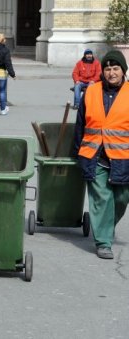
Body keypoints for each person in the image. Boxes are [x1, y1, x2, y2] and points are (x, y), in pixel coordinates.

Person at [73, 50, 129, 260]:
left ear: (123, 71)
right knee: (101, 198)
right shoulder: (91, 91)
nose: (111, 73)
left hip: (123, 158)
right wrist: (77, 152)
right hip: (94, 154)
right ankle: (104, 241)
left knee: (122, 199)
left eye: (115, 69)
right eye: (107, 69)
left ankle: (106, 226)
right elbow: (80, 124)